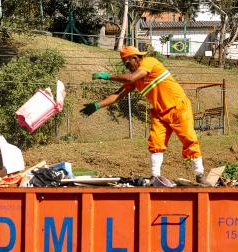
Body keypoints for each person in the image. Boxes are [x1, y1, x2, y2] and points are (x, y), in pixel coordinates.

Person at [80, 46, 208, 185]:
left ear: (135, 58)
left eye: (127, 63)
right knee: (155, 143)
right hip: (159, 112)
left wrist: (107, 76)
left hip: (178, 107)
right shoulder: (135, 78)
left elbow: (131, 78)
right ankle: (155, 177)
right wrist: (97, 105)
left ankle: (199, 175)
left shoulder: (149, 62)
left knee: (189, 139)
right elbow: (118, 95)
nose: (126, 66)